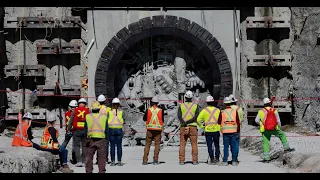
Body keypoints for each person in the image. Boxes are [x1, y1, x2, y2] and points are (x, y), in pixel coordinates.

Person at [255, 97, 295, 163]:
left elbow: (256, 120)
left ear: (264, 104)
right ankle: (286, 148)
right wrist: (279, 127)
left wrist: (261, 124)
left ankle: (266, 158)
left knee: (266, 143)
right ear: (270, 103)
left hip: (265, 130)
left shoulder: (261, 111)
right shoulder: (274, 110)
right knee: (282, 135)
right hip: (274, 128)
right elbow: (278, 120)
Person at [84, 101, 108, 173]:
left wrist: (86, 139)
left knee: (89, 158)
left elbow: (85, 129)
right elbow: (107, 130)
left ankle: (89, 171)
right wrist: (106, 139)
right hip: (101, 140)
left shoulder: (88, 117)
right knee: (101, 158)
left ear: (92, 109)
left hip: (90, 140)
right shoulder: (104, 117)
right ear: (99, 108)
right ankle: (101, 171)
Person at [196, 96, 221, 165]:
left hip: (208, 131)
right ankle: (217, 158)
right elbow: (220, 119)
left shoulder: (204, 111)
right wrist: (219, 126)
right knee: (216, 145)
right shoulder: (217, 110)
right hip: (216, 130)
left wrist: (202, 126)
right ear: (213, 102)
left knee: (209, 145)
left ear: (207, 103)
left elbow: (198, 120)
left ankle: (212, 159)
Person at [178, 90, 200, 165]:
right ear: (192, 98)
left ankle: (181, 160)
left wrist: (185, 122)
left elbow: (179, 116)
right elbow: (196, 117)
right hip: (193, 126)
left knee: (182, 144)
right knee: (194, 144)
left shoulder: (181, 105)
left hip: (183, 127)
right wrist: (189, 122)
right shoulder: (195, 106)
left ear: (185, 97)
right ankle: (195, 160)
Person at [218, 97, 241, 166]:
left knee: (226, 147)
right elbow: (238, 122)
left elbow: (219, 121)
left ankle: (225, 161)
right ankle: (234, 161)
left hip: (225, 131)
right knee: (234, 146)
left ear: (224, 104)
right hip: (234, 131)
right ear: (231, 103)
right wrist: (238, 131)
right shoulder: (235, 111)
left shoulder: (222, 112)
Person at [67, 98, 90, 167]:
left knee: (77, 146)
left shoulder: (75, 110)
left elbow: (70, 121)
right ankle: (83, 161)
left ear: (79, 104)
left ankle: (79, 161)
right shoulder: (88, 110)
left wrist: (69, 129)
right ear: (85, 104)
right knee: (84, 146)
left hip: (76, 131)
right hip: (85, 130)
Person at [142, 96, 164, 165]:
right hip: (157, 130)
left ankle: (145, 160)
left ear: (151, 102)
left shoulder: (148, 110)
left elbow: (144, 119)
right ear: (157, 103)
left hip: (150, 130)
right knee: (157, 145)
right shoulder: (160, 110)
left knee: (147, 145)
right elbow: (162, 120)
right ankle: (155, 160)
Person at [107, 98, 125, 166]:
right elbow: (123, 120)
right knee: (119, 146)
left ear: (112, 104)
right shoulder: (121, 112)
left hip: (111, 129)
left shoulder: (109, 112)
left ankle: (112, 161)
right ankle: (119, 161)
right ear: (119, 104)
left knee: (112, 146)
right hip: (119, 130)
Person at [61, 100, 78, 164]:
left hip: (68, 130)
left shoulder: (66, 113)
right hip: (74, 130)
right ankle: (74, 160)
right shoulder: (76, 113)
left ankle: (60, 152)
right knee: (74, 145)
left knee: (65, 142)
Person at [96, 94, 111, 164]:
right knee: (106, 144)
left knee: (98, 143)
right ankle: (105, 159)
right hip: (106, 127)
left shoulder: (96, 108)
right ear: (104, 101)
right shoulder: (108, 109)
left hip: (98, 127)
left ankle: (98, 159)